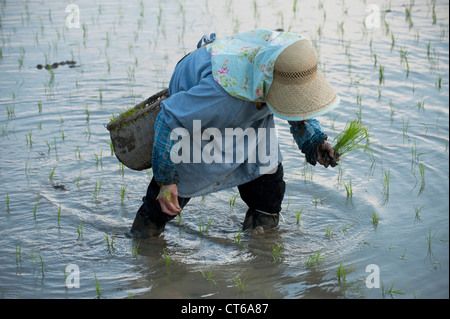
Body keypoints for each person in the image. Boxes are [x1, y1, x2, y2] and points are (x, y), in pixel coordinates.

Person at [131, 29, 340, 238]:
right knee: (165, 203)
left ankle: (260, 250)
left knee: (268, 195)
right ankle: (144, 241)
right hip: (203, 112)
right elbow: (168, 119)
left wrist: (314, 141)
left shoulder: (287, 67)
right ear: (268, 87)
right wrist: (166, 181)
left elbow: (296, 101)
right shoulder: (219, 96)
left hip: (251, 112)